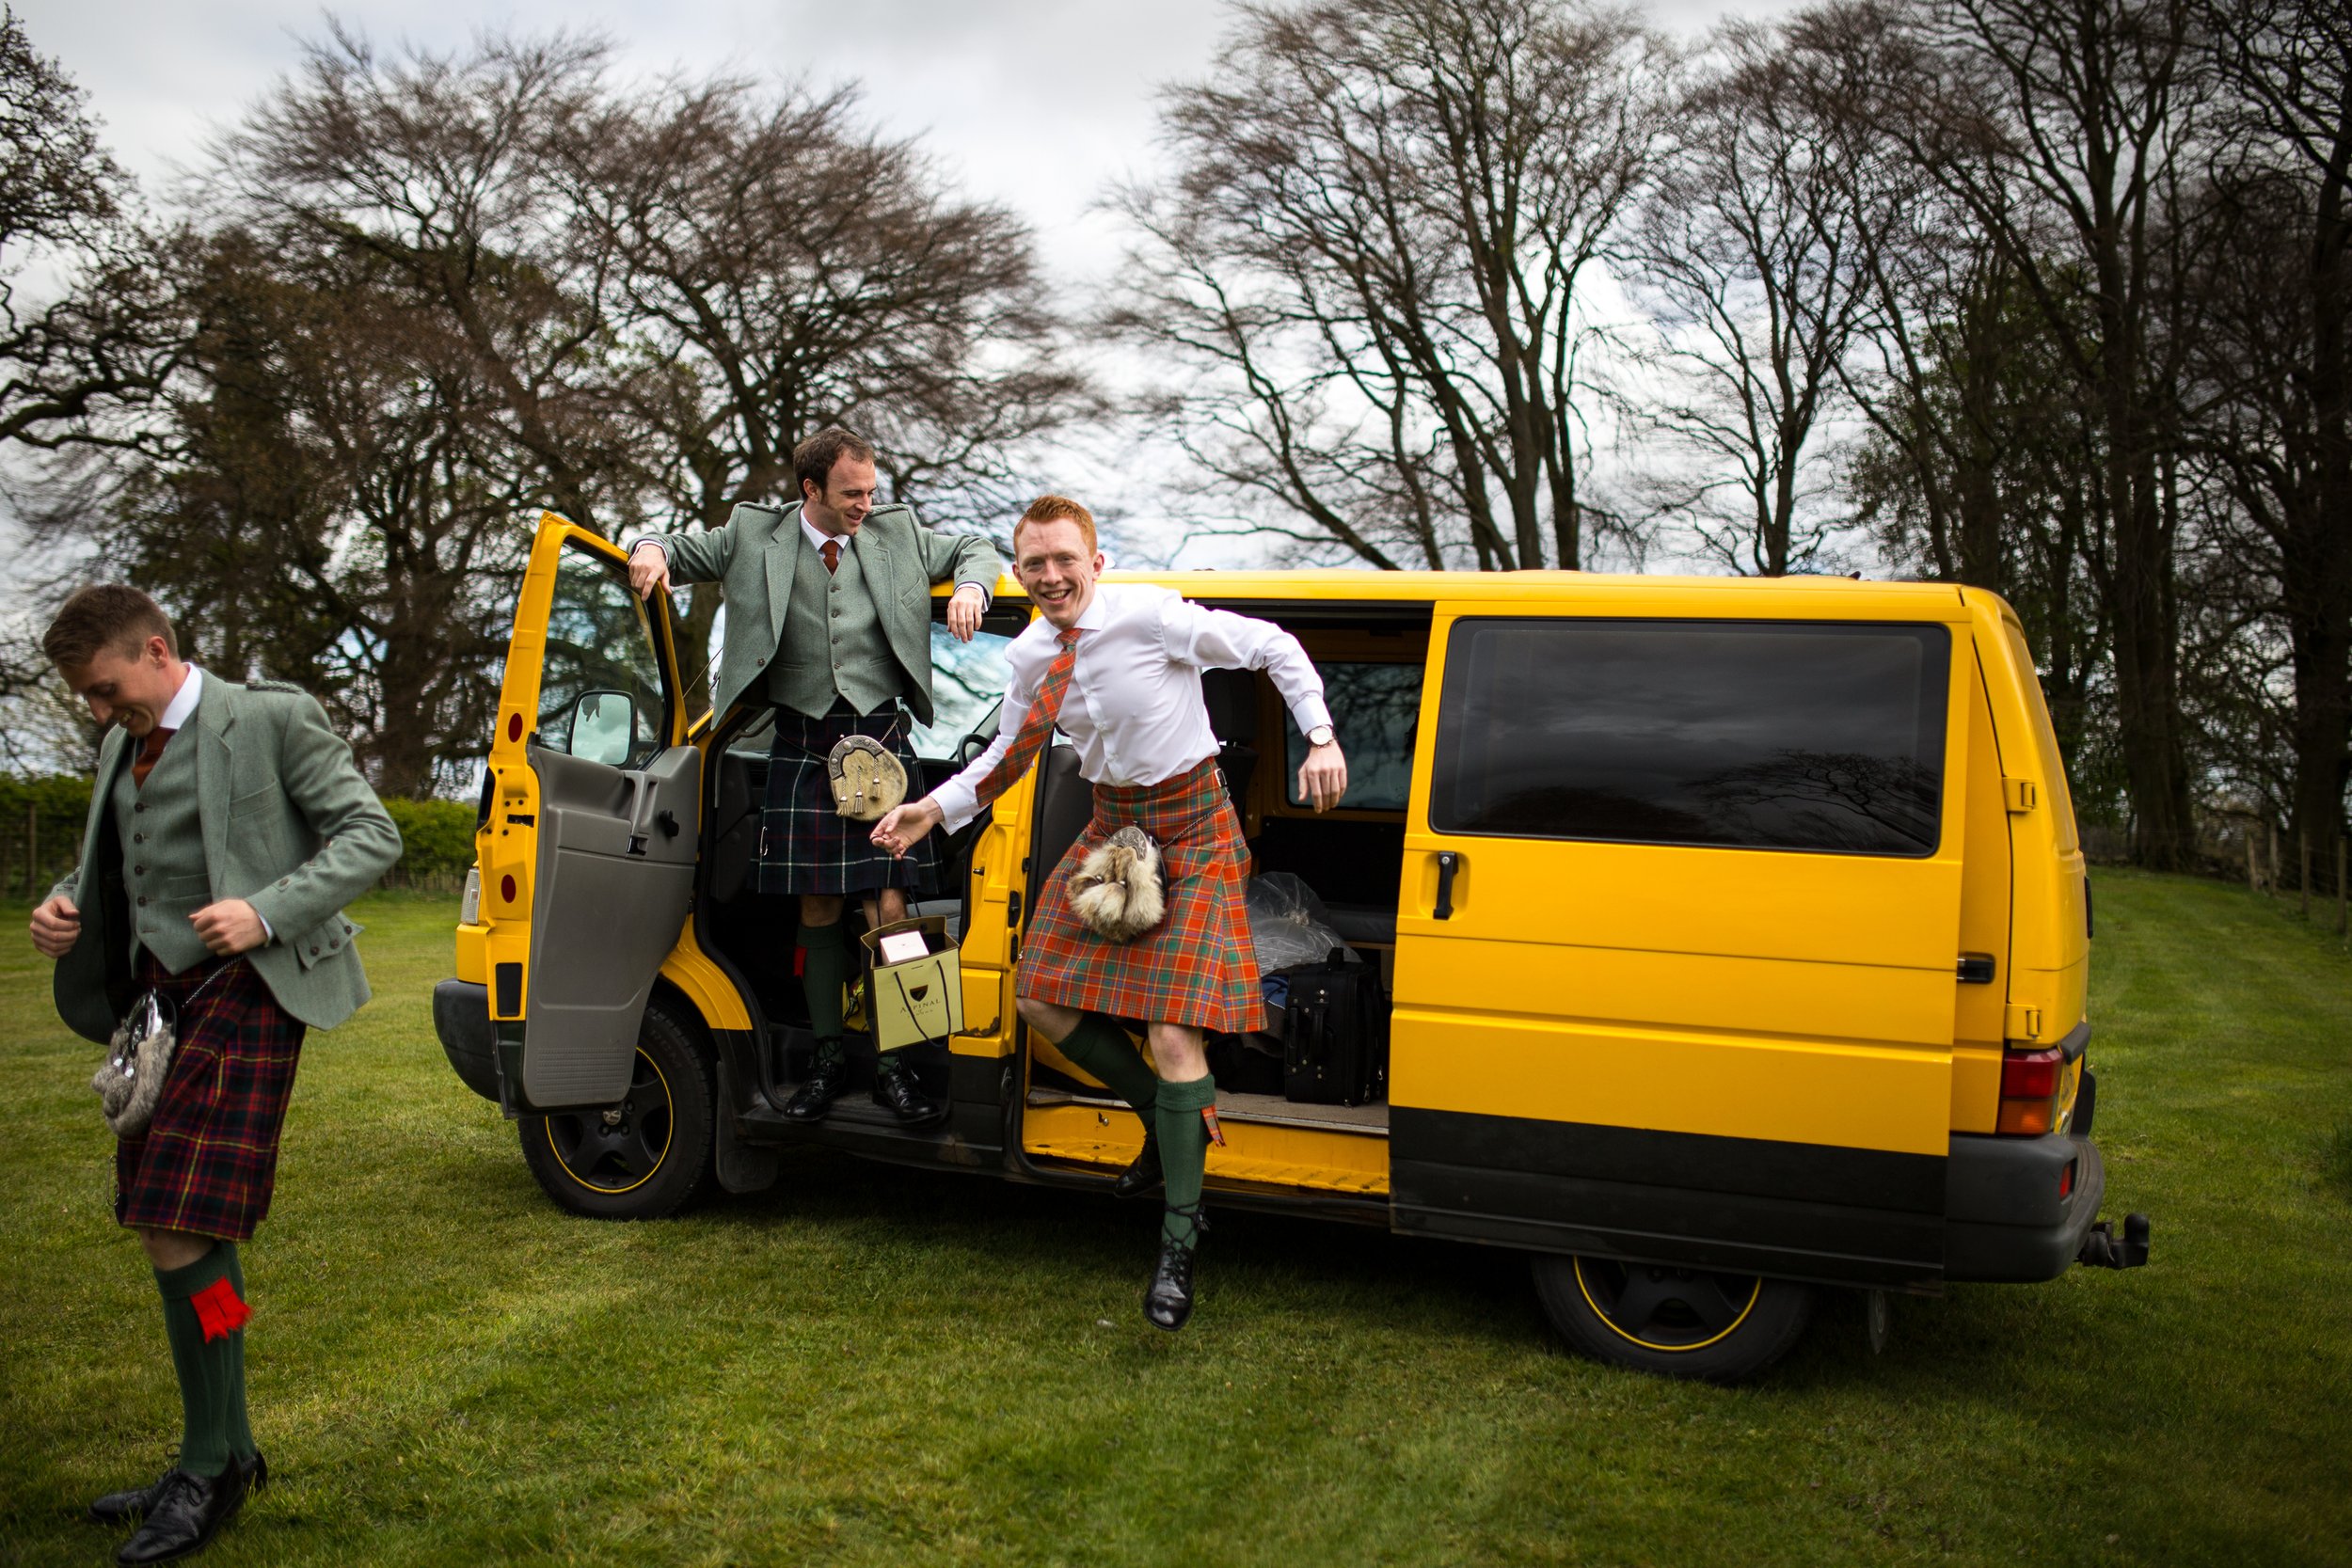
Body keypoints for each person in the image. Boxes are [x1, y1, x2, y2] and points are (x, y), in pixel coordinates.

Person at [870, 496, 1347, 1330]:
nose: (1051, 576)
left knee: (1171, 1034)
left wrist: (1320, 734)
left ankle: (1177, 1240)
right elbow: (1005, 754)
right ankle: (1166, 1131)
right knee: (1038, 996)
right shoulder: (1028, 656)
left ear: (1097, 560)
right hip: (1112, 830)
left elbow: (1271, 645)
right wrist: (932, 809)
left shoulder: (1152, 618)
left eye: (1065, 559)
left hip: (1194, 828)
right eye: (1034, 564)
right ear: (1017, 572)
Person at [28, 586, 402, 1564]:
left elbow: (371, 833)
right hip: (156, 999)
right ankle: (225, 1448)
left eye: (109, 691)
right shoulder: (120, 744)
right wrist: (64, 902)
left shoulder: (271, 716)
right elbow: (117, 861)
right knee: (178, 1221)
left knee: (175, 1216)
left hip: (252, 983)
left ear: (157, 650)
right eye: (89, 702)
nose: (102, 714)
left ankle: (207, 1460)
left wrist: (266, 909)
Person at [628, 426, 1000, 1124]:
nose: (866, 503)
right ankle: (828, 1060)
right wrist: (648, 548)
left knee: (890, 910)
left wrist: (972, 588)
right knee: (818, 910)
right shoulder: (750, 533)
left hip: (883, 743)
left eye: (871, 490)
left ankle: (900, 1067)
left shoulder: (900, 532)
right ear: (811, 490)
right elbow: (674, 548)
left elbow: (976, 547)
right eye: (852, 493)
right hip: (800, 742)